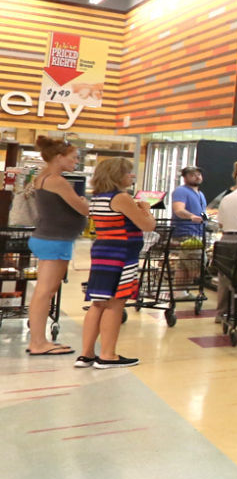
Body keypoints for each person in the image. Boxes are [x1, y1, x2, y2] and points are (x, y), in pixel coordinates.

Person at [78, 156, 154, 369]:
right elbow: (147, 225)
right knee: (115, 303)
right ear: (117, 175)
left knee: (98, 302)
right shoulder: (121, 198)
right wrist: (146, 209)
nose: (132, 175)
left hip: (102, 251)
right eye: (128, 172)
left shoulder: (97, 197)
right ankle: (108, 355)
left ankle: (86, 354)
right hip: (121, 254)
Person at [22, 135, 89, 357]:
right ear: (59, 157)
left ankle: (39, 340)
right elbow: (83, 208)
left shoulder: (45, 177)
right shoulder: (56, 181)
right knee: (44, 292)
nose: (76, 161)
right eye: (73, 157)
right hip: (54, 240)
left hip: (50, 238)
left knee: (45, 291)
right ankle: (38, 342)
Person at [212, 168, 237, 324]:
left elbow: (220, 222)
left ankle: (221, 313)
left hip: (226, 240)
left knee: (225, 278)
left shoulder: (226, 198)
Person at [169, 167, 208, 239]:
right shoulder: (181, 190)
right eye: (192, 175)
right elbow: (178, 210)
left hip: (199, 234)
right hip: (184, 234)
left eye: (199, 174)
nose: (197, 177)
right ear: (184, 178)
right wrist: (191, 216)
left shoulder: (200, 194)